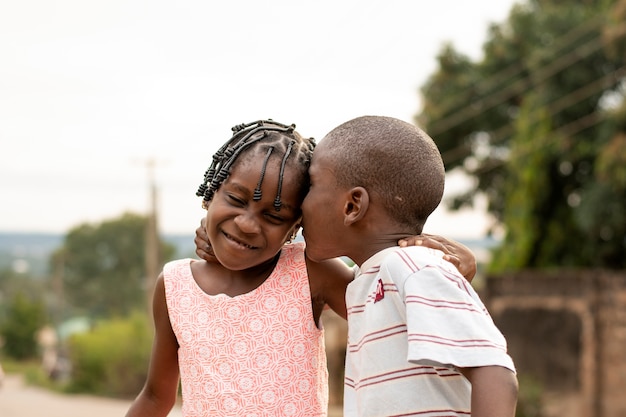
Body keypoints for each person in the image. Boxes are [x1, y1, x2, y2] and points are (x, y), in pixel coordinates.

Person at [127, 119, 476, 417]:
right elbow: (157, 396)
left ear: (296, 225)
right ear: (211, 190)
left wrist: (440, 270)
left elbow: (391, 309)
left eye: (274, 215)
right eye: (235, 199)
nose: (248, 224)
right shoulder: (173, 287)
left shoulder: (309, 272)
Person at [300, 115, 518, 417]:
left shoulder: (413, 266)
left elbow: (495, 374)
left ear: (352, 206)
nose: (298, 202)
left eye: (310, 185)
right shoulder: (367, 280)